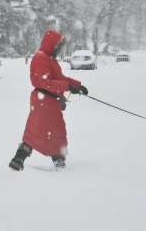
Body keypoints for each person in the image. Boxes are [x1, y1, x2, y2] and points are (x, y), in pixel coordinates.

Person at [9, 29, 88, 171]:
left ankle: (58, 160)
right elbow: (43, 82)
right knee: (36, 131)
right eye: (58, 46)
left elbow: (59, 79)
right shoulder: (40, 58)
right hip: (42, 101)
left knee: (56, 131)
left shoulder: (49, 59)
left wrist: (77, 85)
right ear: (52, 44)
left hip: (50, 101)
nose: (59, 49)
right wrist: (67, 86)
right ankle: (19, 159)